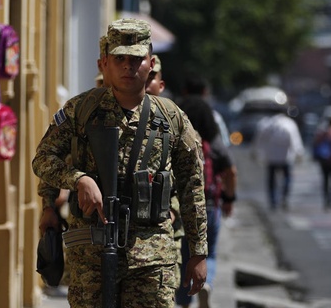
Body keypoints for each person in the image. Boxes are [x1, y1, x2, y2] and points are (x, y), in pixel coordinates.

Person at [32, 19, 208, 307]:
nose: (128, 66)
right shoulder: (81, 109)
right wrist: (79, 179)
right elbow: (43, 159)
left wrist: (198, 252)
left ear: (150, 63)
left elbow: (192, 185)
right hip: (91, 255)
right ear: (105, 63)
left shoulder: (171, 117)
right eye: (120, 58)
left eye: (136, 59)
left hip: (152, 257)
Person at [175, 76, 237, 308]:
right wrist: (229, 198)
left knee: (183, 256)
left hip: (180, 204)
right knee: (208, 252)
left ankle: (183, 302)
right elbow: (231, 170)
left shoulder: (176, 130)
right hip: (210, 204)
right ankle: (206, 282)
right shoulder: (213, 142)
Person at [253, 103, 304, 211]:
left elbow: (259, 140)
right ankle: (284, 197)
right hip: (285, 157)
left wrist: (256, 153)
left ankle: (273, 201)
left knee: (271, 180)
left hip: (271, 157)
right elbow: (295, 141)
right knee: (286, 178)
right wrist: (299, 153)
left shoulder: (267, 124)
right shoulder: (289, 124)